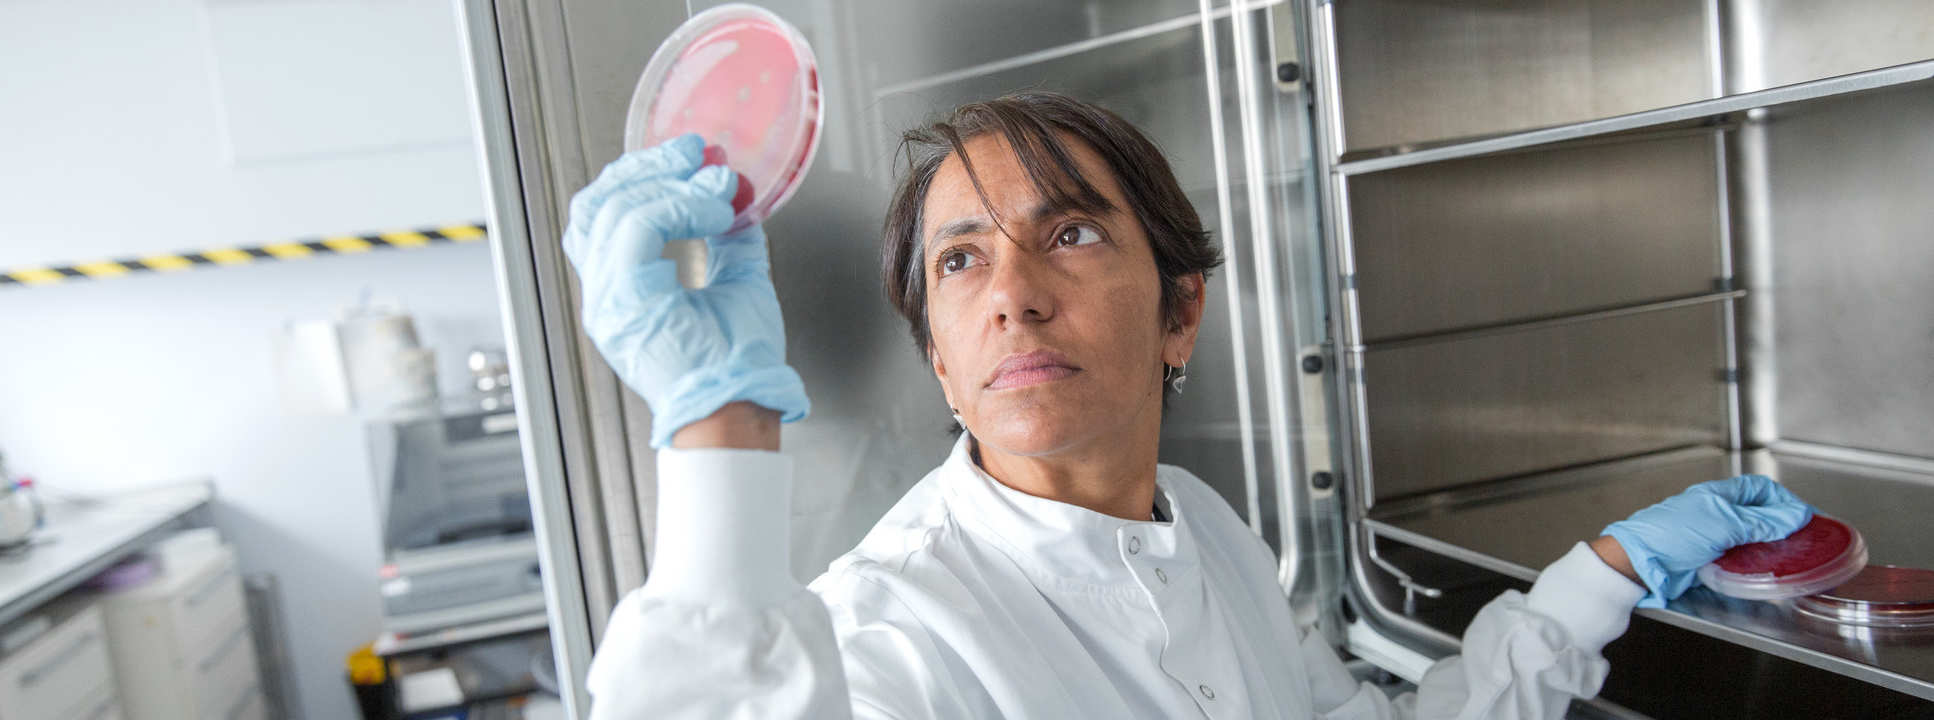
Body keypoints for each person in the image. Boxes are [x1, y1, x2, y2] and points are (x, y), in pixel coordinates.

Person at [563, 92, 1815, 719]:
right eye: (959, 260)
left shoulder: (1205, 531)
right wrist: (717, 422)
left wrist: (1592, 581)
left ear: (1179, 312)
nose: (1011, 294)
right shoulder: (899, 632)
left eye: (1067, 234)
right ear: (942, 365)